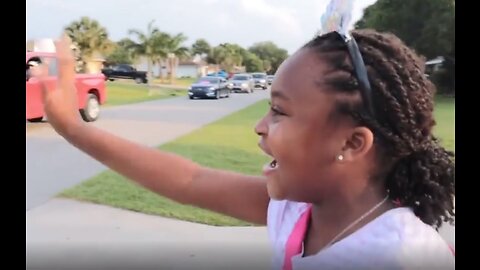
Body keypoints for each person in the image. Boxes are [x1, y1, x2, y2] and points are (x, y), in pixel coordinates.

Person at [31, 30, 455, 269]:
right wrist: (72, 128)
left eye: (279, 112)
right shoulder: (302, 210)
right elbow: (190, 179)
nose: (259, 125)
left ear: (351, 143)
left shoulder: (400, 257)